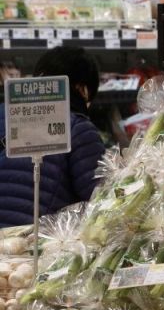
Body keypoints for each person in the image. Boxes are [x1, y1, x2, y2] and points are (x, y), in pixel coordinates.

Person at [0, 46, 105, 228]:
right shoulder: (79, 128)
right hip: (37, 239)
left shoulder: (3, 114)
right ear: (82, 89)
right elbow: (99, 198)